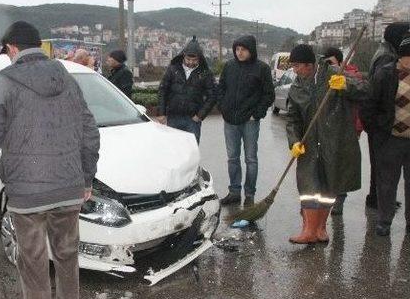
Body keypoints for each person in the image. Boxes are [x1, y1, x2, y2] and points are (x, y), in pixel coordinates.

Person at [0, 21, 100, 299]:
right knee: (68, 259)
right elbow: (90, 132)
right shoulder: (68, 79)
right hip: (69, 188)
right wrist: (87, 178)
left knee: (33, 263)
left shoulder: (4, 84)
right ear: (38, 46)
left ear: (12, 48)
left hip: (27, 195)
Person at [285, 44, 367, 244]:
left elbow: (366, 91)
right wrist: (294, 141)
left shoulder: (334, 75)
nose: (295, 70)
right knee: (308, 186)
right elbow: (292, 118)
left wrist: (346, 85)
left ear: (310, 64)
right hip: (309, 144)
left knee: (329, 188)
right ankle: (309, 230)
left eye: (297, 66)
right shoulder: (296, 87)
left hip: (334, 141)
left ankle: (320, 229)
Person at [217, 35, 275, 206]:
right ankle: (234, 192)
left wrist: (256, 114)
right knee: (232, 158)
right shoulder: (229, 67)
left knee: (251, 159)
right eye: (237, 49)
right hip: (230, 121)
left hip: (250, 121)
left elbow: (268, 94)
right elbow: (220, 88)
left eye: (243, 49)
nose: (239, 52)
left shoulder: (261, 68)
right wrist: (223, 107)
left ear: (251, 50)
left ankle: (249, 194)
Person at [362, 34, 410, 236]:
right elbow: (368, 105)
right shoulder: (385, 74)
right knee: (387, 183)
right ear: (402, 56)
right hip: (390, 139)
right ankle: (384, 221)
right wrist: (376, 132)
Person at [321, 47, 364, 215]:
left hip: (347, 129)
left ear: (340, 62)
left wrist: (345, 83)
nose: (328, 66)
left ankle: (339, 199)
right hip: (327, 128)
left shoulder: (351, 76)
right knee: (327, 164)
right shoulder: (322, 76)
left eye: (331, 62)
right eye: (325, 63)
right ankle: (327, 199)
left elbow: (363, 93)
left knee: (342, 165)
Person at [157, 36, 216, 144]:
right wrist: (161, 113)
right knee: (173, 148)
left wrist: (200, 115)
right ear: (183, 56)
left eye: (194, 60)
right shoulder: (173, 68)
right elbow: (163, 90)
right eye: (188, 59)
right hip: (173, 117)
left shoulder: (205, 73)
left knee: (191, 150)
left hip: (193, 119)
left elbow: (212, 96)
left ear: (199, 58)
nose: (191, 62)